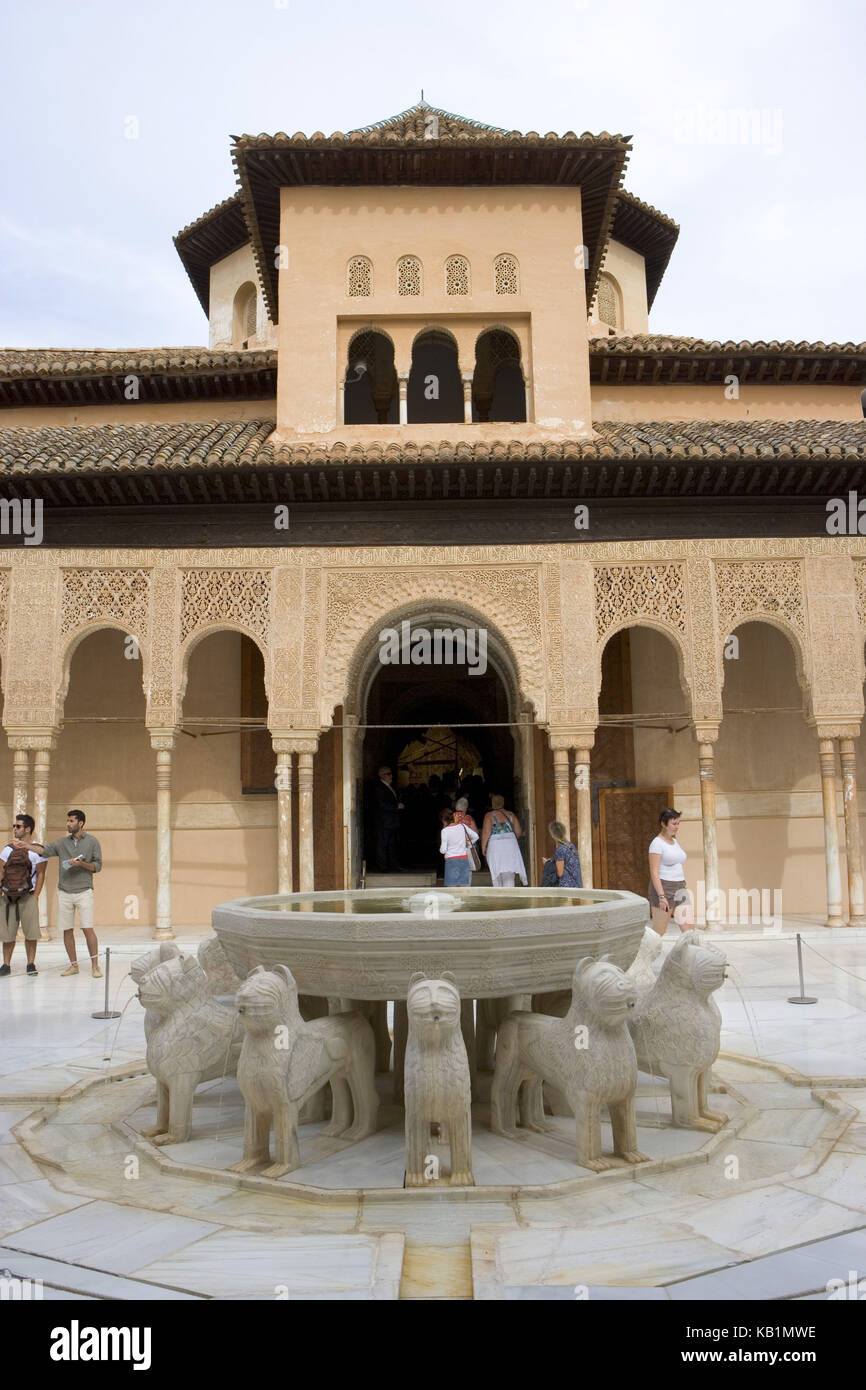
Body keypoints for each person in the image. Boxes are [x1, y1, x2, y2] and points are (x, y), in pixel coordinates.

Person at [38, 809, 103, 977]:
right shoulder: (62, 843)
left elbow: (98, 866)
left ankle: (95, 966)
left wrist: (82, 864)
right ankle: (74, 965)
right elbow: (44, 851)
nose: (68, 824)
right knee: (67, 930)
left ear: (80, 823)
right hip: (64, 891)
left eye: (71, 821)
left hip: (84, 891)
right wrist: (26, 845)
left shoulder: (92, 842)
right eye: (67, 821)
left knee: (87, 928)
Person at [0, 814, 46, 977]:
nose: (15, 829)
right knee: (8, 933)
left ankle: (30, 963)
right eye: (14, 826)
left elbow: (41, 873)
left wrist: (36, 895)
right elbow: (1, 871)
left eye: (18, 826)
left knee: (31, 932)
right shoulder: (8, 849)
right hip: (8, 896)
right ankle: (6, 964)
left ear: (27, 829)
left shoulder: (38, 850)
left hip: (29, 896)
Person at [648, 807, 692, 935]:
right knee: (659, 931)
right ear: (663, 823)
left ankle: (687, 955)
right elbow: (654, 872)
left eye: (678, 823)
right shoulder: (656, 843)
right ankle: (643, 954)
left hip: (680, 887)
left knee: (689, 931)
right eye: (674, 823)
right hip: (664, 888)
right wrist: (662, 896)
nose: (677, 826)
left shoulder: (675, 842)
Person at [481, 795, 527, 887]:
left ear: (493, 804)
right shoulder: (511, 815)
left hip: (495, 845)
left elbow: (486, 832)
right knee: (509, 872)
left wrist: (483, 846)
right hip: (510, 844)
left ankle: (498, 894)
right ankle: (509, 893)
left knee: (496, 870)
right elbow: (518, 832)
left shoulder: (489, 815)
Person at [373, 767, 404, 872]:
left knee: (392, 844)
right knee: (383, 844)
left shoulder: (390, 787)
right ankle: (383, 866)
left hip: (391, 821)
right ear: (381, 775)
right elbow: (381, 804)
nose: (391, 776)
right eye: (388, 774)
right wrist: (396, 807)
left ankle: (393, 865)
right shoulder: (380, 788)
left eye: (391, 773)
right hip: (384, 822)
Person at [439, 807, 479, 887]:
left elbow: (443, 850)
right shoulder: (462, 826)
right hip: (463, 859)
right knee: (463, 887)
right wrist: (468, 844)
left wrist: (441, 849)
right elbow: (476, 836)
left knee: (452, 887)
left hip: (451, 861)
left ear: (444, 820)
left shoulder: (445, 831)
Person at [546, 821, 582, 888]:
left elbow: (560, 873)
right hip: (576, 884)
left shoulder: (560, 849)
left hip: (567, 887)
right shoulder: (570, 845)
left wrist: (547, 864)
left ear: (552, 835)